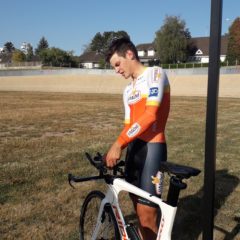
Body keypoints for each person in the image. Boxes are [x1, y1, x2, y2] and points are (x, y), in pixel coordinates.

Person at [104, 37, 170, 240]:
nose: (116, 70)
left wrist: (118, 144)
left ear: (130, 54)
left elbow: (150, 116)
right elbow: (128, 126)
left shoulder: (155, 74)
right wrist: (122, 146)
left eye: (117, 64)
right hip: (134, 150)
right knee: (136, 205)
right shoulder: (127, 90)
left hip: (152, 148)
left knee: (147, 214)